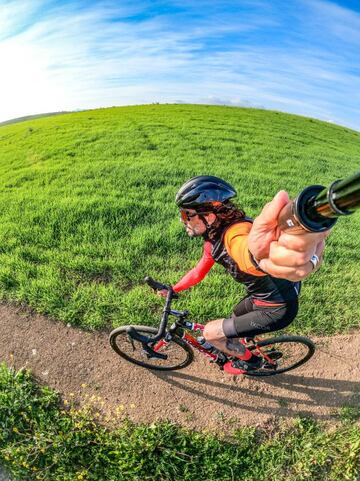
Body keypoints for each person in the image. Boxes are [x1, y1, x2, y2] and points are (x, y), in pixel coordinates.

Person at [159, 175, 329, 374]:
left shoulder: (235, 233)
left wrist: (259, 256)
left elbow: (245, 250)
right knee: (236, 315)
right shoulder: (213, 241)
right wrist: (173, 288)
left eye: (187, 214)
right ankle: (240, 345)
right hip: (264, 297)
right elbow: (198, 272)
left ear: (210, 216)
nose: (183, 219)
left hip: (277, 309)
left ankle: (251, 361)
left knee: (210, 333)